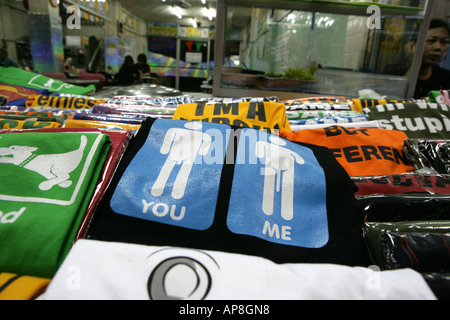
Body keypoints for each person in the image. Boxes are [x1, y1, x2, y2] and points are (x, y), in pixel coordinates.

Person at [404, 19, 450, 99]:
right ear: (413, 44)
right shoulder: (394, 74)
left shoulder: (446, 78)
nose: (438, 47)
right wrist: (414, 64)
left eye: (444, 42)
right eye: (431, 41)